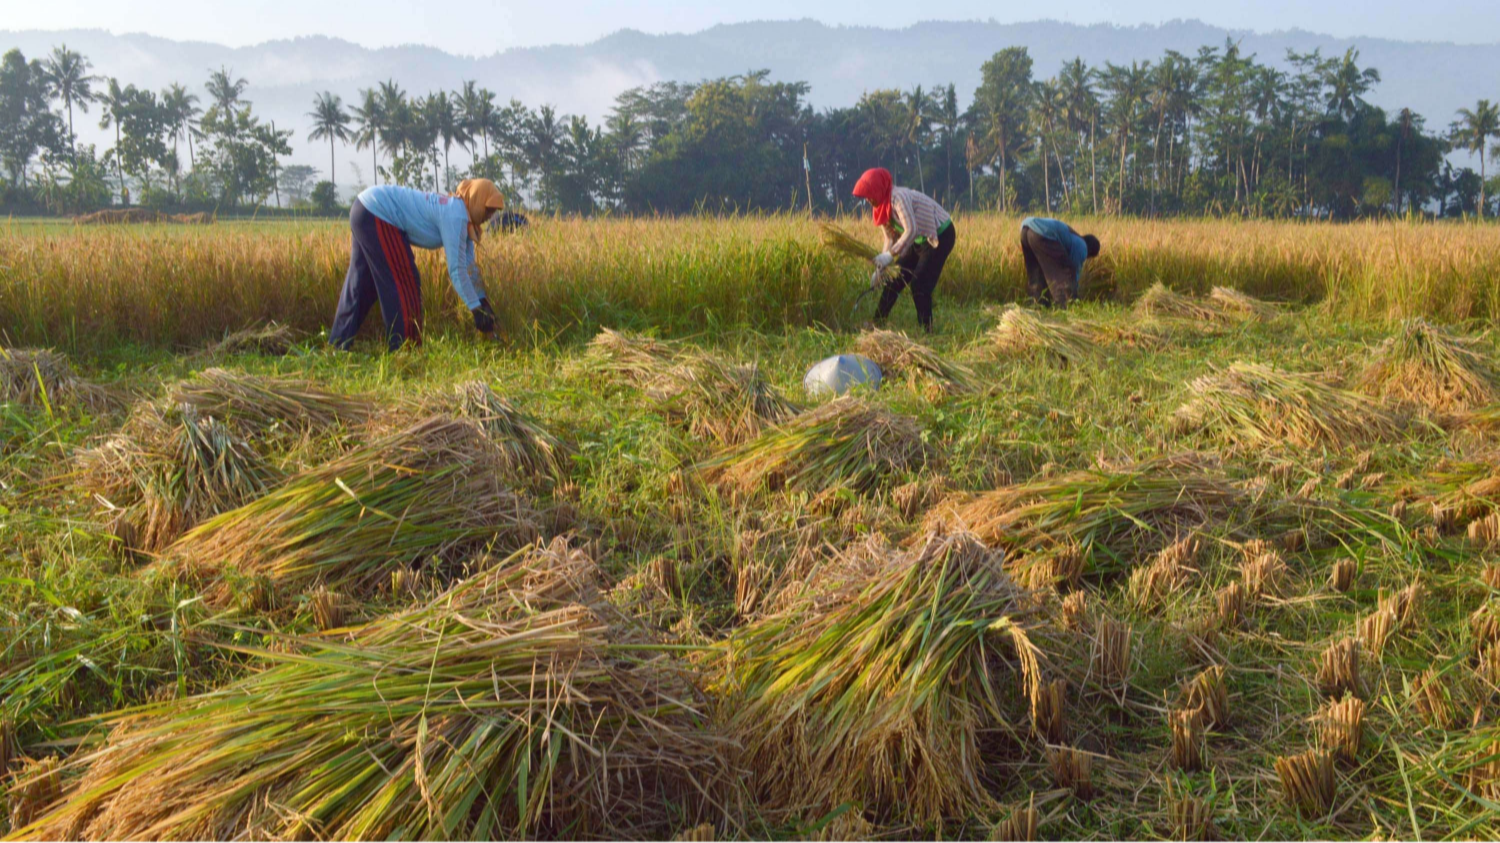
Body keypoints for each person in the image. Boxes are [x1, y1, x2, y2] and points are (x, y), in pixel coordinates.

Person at [329, 179, 504, 351]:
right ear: (476, 199)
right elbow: (456, 269)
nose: (488, 217)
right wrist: (475, 309)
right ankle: (406, 349)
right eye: (487, 210)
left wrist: (482, 301)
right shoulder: (456, 215)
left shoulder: (463, 218)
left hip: (365, 209)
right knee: (405, 282)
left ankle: (338, 344)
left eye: (492, 212)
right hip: (379, 212)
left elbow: (469, 266)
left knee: (362, 283)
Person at [851, 167, 956, 333]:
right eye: (866, 197)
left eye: (870, 194)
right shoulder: (879, 206)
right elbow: (889, 238)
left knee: (920, 284)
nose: (868, 200)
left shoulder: (897, 198)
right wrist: (881, 268)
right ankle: (877, 323)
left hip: (939, 235)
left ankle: (927, 331)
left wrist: (890, 255)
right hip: (917, 240)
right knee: (894, 280)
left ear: (878, 189)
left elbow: (911, 229)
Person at [1020, 217, 1101, 308]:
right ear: (1090, 251)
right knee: (1066, 272)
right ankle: (1067, 305)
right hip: (1042, 232)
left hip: (1025, 229)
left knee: (1037, 272)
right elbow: (1073, 269)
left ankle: (1037, 304)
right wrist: (1074, 291)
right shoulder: (1082, 246)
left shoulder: (1072, 237)